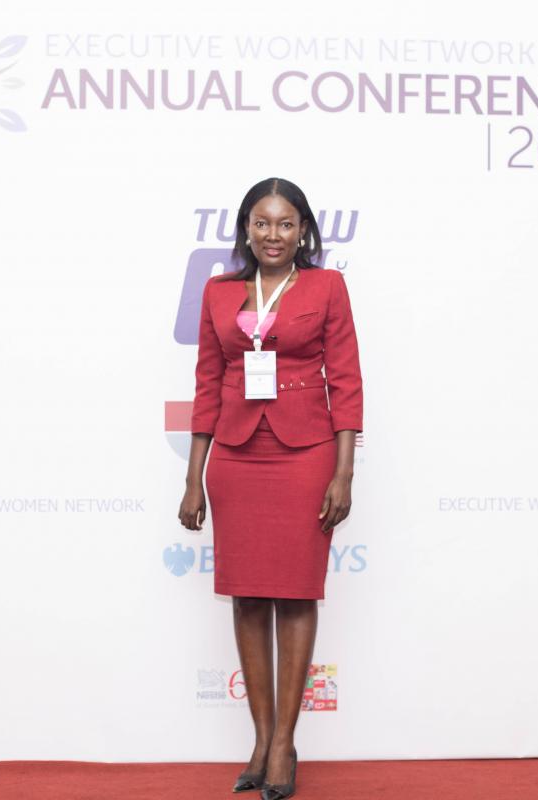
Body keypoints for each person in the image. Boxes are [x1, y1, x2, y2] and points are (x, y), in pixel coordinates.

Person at [178, 177, 363, 799]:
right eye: (262, 223)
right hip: (235, 456)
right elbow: (207, 383)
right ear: (246, 229)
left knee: (296, 595)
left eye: (286, 224)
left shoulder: (326, 286)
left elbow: (347, 380)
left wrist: (344, 472)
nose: (273, 234)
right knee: (249, 597)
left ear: (303, 230)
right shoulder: (218, 291)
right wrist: (193, 478)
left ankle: (284, 743)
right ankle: (259, 739)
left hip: (306, 453)